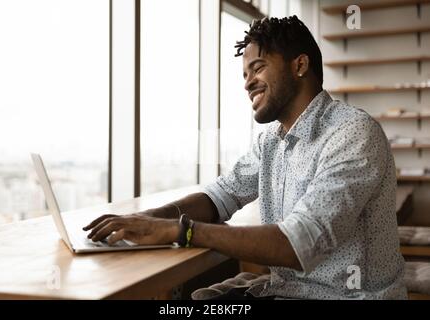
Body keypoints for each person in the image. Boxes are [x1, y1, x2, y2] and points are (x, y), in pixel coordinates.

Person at [83, 16, 407, 300]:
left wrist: (181, 231)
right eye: (244, 74)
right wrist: (153, 218)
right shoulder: (272, 141)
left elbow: (298, 243)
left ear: (300, 65)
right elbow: (219, 196)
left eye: (258, 67)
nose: (248, 83)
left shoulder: (352, 132)